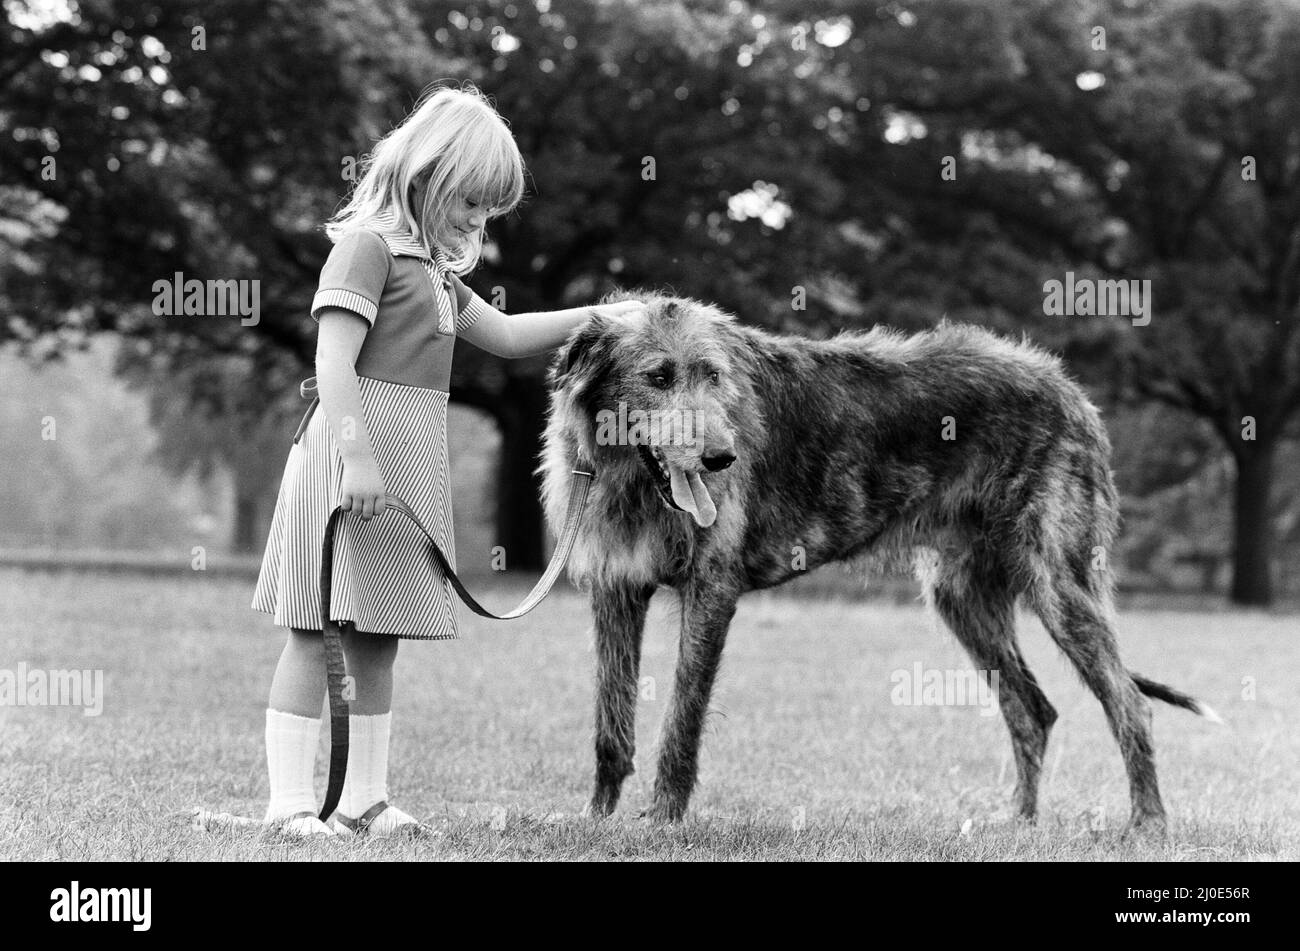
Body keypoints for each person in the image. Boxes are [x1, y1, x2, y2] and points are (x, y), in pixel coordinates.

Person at [250, 83, 642, 837]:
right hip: (348, 455)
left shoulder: (433, 272)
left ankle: (364, 799)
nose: (477, 221)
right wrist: (356, 459)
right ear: (424, 175)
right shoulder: (367, 249)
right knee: (312, 626)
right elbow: (334, 364)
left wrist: (602, 316)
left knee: (377, 633)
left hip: (409, 458)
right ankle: (290, 806)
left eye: (488, 209)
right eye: (468, 201)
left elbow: (507, 334)